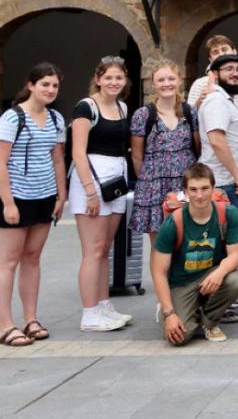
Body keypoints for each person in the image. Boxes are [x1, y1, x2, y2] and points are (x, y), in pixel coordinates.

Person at [0, 63, 66, 346]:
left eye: (54, 85)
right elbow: (1, 162)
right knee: (9, 261)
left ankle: (30, 318)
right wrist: (8, 203)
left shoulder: (56, 119)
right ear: (31, 86)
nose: (50, 90)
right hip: (18, 197)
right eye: (45, 85)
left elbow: (58, 159)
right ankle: (5, 323)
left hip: (45, 196)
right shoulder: (12, 119)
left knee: (33, 258)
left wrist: (61, 195)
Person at [69, 55, 134, 332]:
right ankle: (89, 313)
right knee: (92, 251)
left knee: (105, 249)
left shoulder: (122, 107)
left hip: (116, 180)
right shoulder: (86, 107)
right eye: (108, 77)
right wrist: (89, 192)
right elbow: (78, 152)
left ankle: (103, 304)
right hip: (92, 181)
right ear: (97, 79)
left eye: (118, 77)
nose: (113, 82)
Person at [151, 163, 238, 345]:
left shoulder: (228, 213)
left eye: (205, 188)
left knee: (235, 282)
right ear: (185, 192)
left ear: (213, 188)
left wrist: (219, 272)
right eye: (193, 190)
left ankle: (209, 322)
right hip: (182, 283)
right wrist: (170, 313)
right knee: (179, 338)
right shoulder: (173, 222)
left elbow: (235, 256)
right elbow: (158, 272)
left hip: (211, 276)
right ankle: (177, 310)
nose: (199, 195)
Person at [130, 60, 198, 245]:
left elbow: (197, 147)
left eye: (171, 78)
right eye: (161, 80)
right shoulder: (144, 114)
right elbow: (137, 155)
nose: (166, 83)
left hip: (184, 182)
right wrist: (147, 181)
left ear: (179, 81)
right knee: (160, 244)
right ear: (153, 83)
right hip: (154, 185)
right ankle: (160, 276)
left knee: (185, 240)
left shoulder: (189, 112)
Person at [197, 53, 238, 219]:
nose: (235, 73)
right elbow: (217, 142)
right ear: (215, 74)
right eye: (228, 69)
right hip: (225, 184)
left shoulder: (227, 99)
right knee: (225, 239)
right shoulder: (217, 101)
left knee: (228, 237)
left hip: (230, 183)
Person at [186, 34, 238, 118]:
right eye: (215, 52)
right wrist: (200, 102)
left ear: (234, 52)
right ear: (210, 59)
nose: (221, 54)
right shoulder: (200, 84)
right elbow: (190, 117)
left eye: (224, 49)